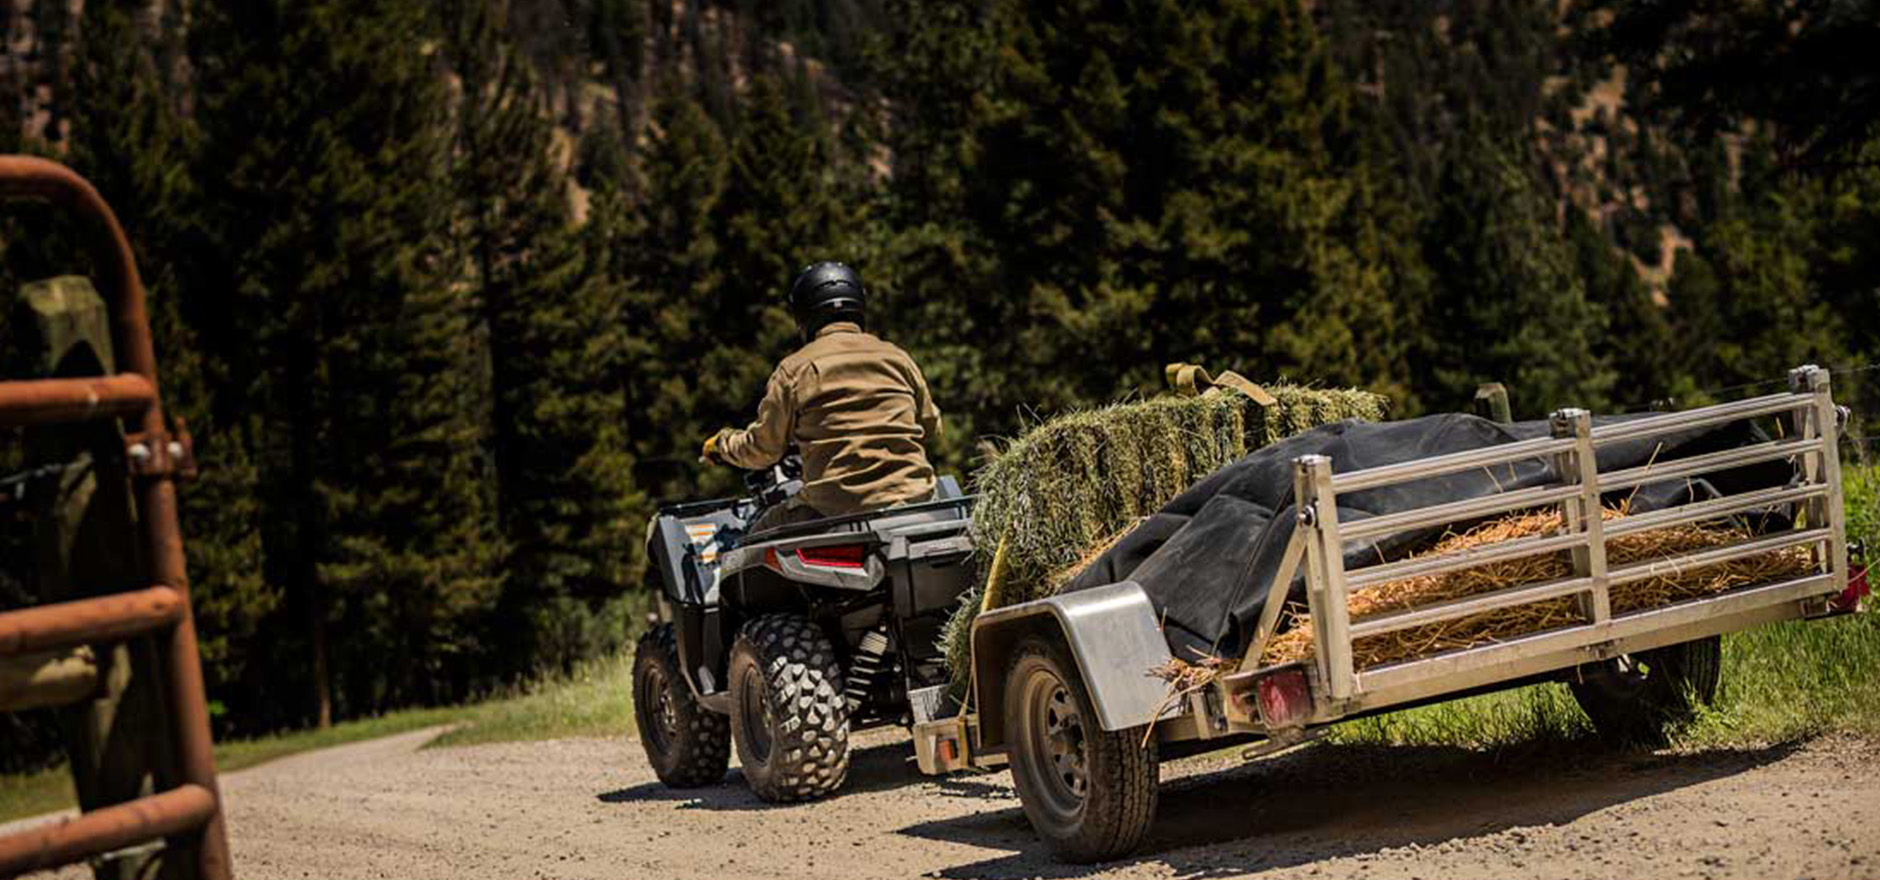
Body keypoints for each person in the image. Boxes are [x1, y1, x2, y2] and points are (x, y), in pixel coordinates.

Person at [701, 261, 943, 532]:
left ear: (803, 314)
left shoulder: (794, 369)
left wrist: (722, 445)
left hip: (836, 511)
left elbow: (763, 450)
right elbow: (931, 426)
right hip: (916, 500)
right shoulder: (898, 357)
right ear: (859, 304)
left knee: (750, 540)